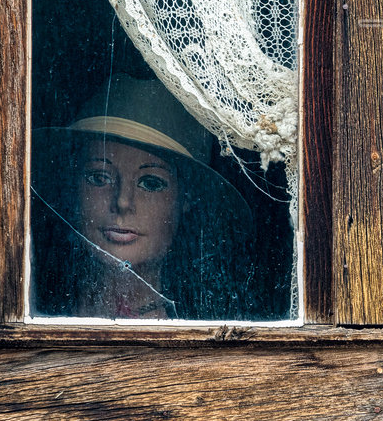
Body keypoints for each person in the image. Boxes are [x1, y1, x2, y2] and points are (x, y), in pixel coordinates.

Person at [30, 76, 265, 320]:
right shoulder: (34, 312)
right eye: (100, 178)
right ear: (75, 184)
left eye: (150, 183)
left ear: (185, 197)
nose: (122, 202)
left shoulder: (214, 324)